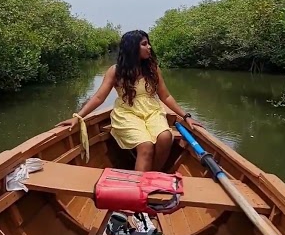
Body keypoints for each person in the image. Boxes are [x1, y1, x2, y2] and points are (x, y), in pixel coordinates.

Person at [57, 30, 198, 172]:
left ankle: (152, 175)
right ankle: (140, 183)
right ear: (132, 48)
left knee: (165, 138)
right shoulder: (115, 71)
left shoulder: (153, 69)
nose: (149, 47)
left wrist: (186, 116)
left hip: (152, 111)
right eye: (144, 44)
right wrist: (78, 116)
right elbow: (99, 97)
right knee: (146, 146)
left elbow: (166, 96)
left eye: (148, 43)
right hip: (127, 113)